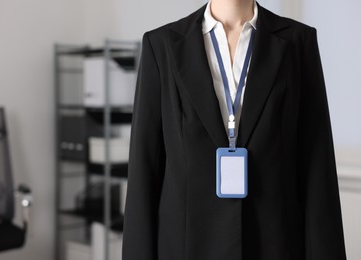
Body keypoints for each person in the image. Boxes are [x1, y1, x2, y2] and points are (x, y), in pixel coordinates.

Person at [122, 0, 347, 259]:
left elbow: (317, 168)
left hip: (275, 244)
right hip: (187, 246)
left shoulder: (298, 42)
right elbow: (144, 168)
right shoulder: (161, 45)